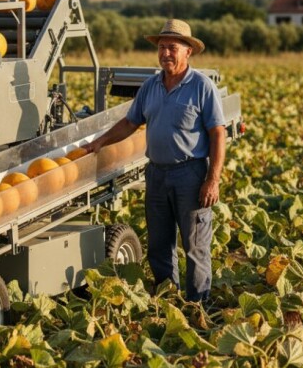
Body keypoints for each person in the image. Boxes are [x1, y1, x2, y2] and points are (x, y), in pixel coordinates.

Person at [86, 19, 226, 301]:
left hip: (190, 174)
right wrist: (100, 141)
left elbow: (218, 134)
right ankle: (169, 301)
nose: (166, 54)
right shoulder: (150, 86)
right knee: (159, 245)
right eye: (162, 48)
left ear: (188, 51)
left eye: (172, 48)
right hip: (157, 175)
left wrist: (212, 179)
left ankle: (199, 306)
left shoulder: (201, 87)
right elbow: (130, 123)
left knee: (195, 246)